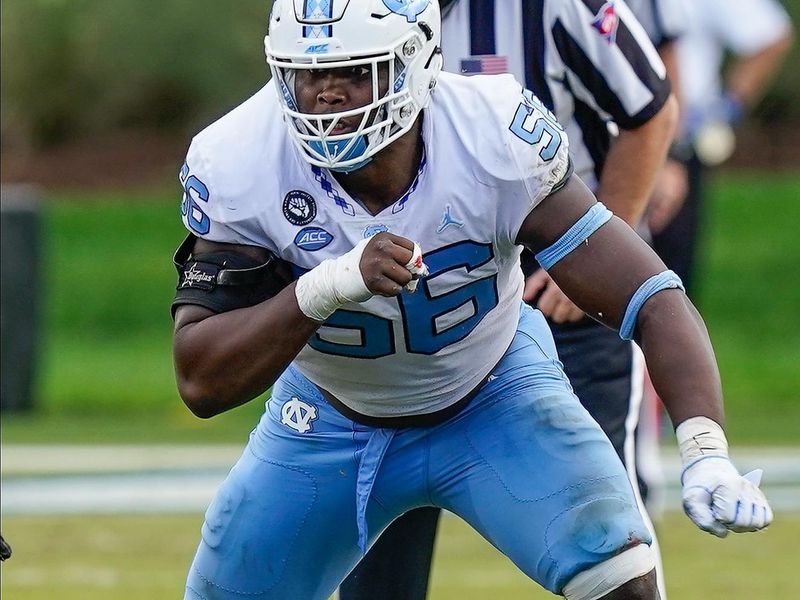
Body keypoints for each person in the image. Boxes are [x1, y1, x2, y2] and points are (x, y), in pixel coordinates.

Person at [173, 2, 772, 599]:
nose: (327, 95)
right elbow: (201, 379)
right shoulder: (240, 158)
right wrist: (325, 287)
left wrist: (705, 450)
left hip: (494, 394)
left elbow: (650, 294)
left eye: (357, 73)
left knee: (622, 583)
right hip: (332, 417)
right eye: (308, 76)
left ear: (415, 62)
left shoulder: (490, 130)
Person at [341, 1, 685, 598]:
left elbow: (650, 111)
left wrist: (602, 243)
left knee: (605, 526)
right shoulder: (356, 12)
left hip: (556, 289)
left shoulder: (554, 6)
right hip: (420, 303)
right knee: (377, 534)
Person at [651, 0, 793, 293]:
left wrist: (728, 107)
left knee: (665, 283)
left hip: (675, 144)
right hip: (597, 137)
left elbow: (770, 34)